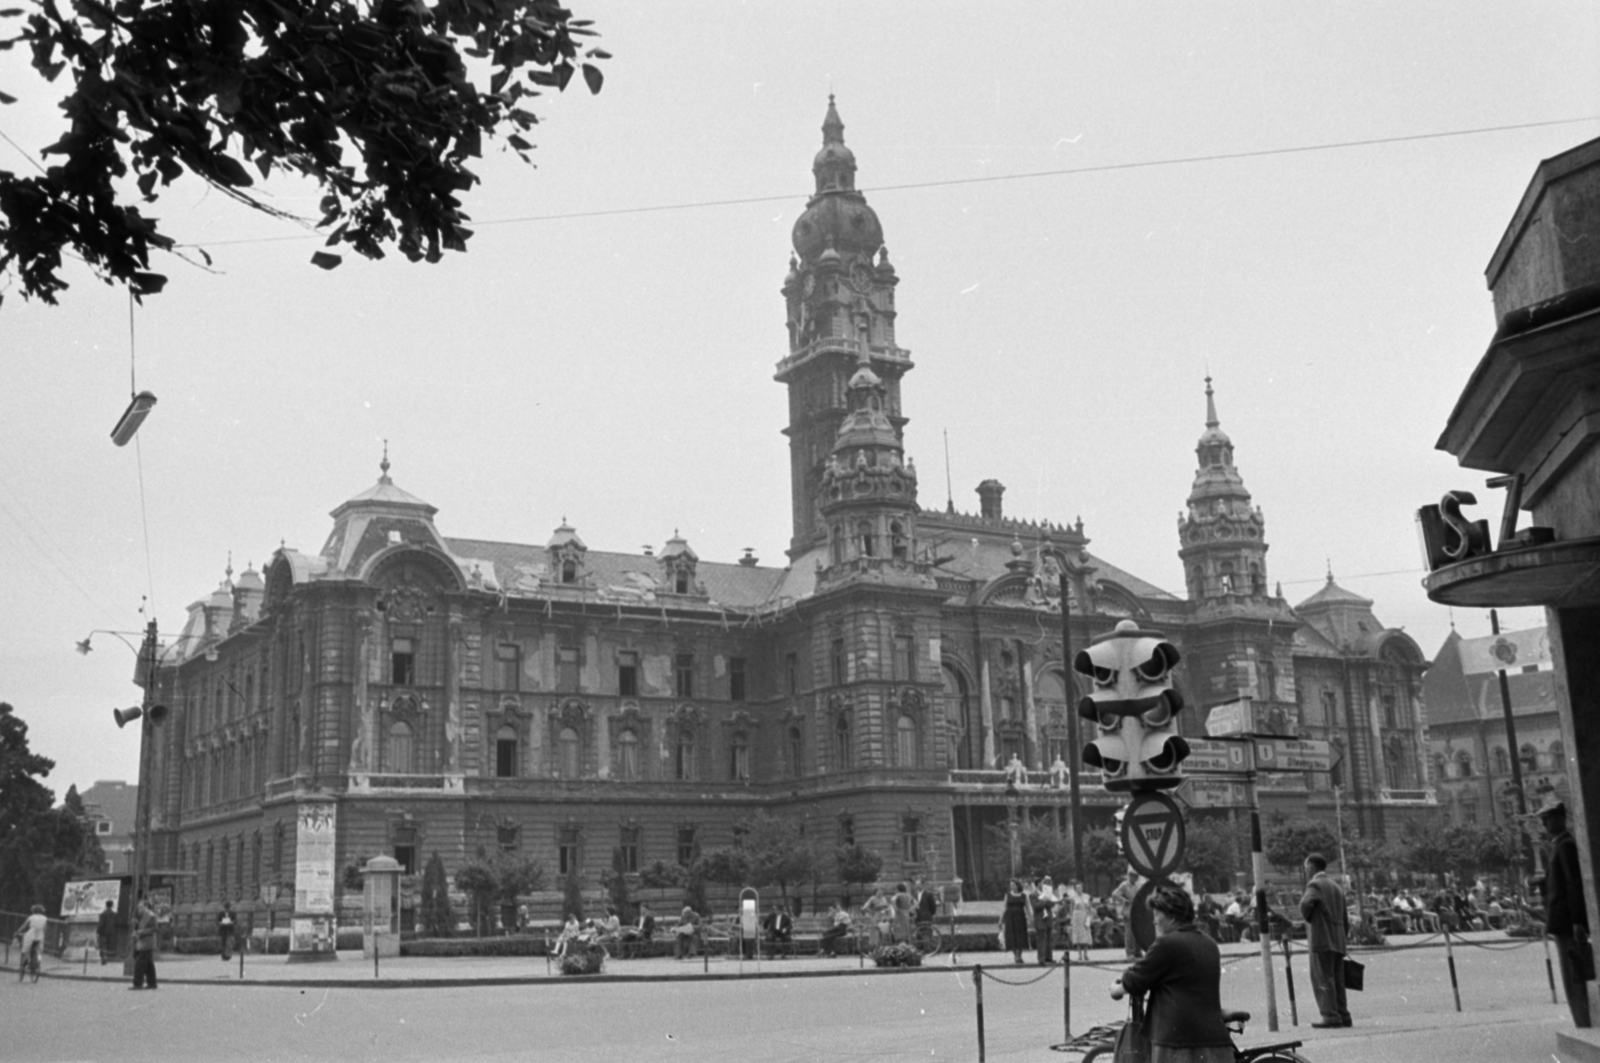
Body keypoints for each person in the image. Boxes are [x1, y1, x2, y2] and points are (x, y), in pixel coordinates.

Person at [1110, 884, 1234, 1063]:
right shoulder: (1209, 944)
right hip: (1215, 1041)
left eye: (1156, 915)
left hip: (1177, 1044)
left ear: (1172, 916)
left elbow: (1136, 980)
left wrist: (1116, 989)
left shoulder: (1167, 944)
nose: (1154, 921)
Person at [1539, 796, 1591, 1028]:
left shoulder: (1565, 845)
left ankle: (1583, 1022)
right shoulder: (1560, 845)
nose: (1544, 824)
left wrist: (1578, 921)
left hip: (1566, 921)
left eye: (1548, 819)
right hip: (1563, 921)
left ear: (1561, 818)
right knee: (1571, 975)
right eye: (1543, 820)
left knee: (1573, 977)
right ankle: (1581, 1020)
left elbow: (1573, 884)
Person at [1299, 852, 1352, 1028]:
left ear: (1310, 867)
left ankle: (1330, 1016)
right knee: (1338, 980)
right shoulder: (1336, 886)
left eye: (1306, 868)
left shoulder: (1314, 884)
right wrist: (1343, 936)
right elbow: (1345, 917)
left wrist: (1310, 919)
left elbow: (1305, 904)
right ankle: (1343, 1015)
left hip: (1322, 939)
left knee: (1322, 978)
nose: (1305, 871)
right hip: (1338, 939)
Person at [1112, 870, 1143, 957]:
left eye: (1137, 877)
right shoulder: (1124, 885)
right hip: (1128, 911)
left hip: (1137, 911)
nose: (1136, 878)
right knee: (1130, 932)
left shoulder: (1137, 885)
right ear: (1130, 876)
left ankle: (1138, 951)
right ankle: (1130, 952)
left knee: (1138, 932)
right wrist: (1124, 900)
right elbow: (1115, 894)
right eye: (1134, 876)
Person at [14, 903, 48, 978]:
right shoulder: (44, 918)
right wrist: (42, 934)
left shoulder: (31, 917)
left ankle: (24, 961)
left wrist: (17, 932)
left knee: (25, 949)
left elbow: (24, 926)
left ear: (33, 910)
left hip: (30, 935)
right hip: (39, 936)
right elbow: (45, 929)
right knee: (36, 949)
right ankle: (35, 964)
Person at [131, 900, 159, 990]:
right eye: (139, 907)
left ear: (146, 906)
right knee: (148, 965)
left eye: (141, 907)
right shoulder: (143, 916)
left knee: (139, 964)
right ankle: (152, 983)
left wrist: (140, 932)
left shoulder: (151, 915)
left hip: (147, 943)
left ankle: (138, 983)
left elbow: (154, 929)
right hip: (143, 942)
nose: (139, 909)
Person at [1001, 878, 1030, 964]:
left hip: (1020, 918)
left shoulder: (1023, 896)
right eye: (1011, 885)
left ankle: (1020, 955)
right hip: (1010, 918)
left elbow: (1028, 908)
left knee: (1020, 937)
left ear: (1018, 886)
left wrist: (1030, 918)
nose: (1012, 887)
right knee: (1012, 937)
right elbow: (1004, 907)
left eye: (1013, 885)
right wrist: (1001, 919)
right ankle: (1015, 955)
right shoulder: (1007, 895)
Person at [1032, 876, 1056, 964]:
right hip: (1040, 919)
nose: (1043, 885)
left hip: (1048, 918)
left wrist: (1048, 900)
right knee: (1041, 939)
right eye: (1042, 883)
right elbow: (1035, 906)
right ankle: (1041, 958)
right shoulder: (1033, 894)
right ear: (1037, 884)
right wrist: (1044, 901)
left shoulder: (1047, 893)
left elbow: (1052, 903)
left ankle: (1048, 957)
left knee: (1049, 938)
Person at [1067, 882, 1093, 962]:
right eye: (1077, 888)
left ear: (1082, 888)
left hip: (1084, 915)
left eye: (1080, 888)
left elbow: (1089, 908)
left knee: (1085, 935)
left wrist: (1089, 917)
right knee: (1078, 936)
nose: (1079, 889)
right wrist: (1071, 919)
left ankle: (1086, 954)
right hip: (1076, 916)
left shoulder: (1087, 896)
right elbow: (1071, 909)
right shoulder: (1073, 898)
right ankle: (1079, 955)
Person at [96, 900, 117, 965]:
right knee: (109, 945)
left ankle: (104, 957)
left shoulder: (103, 914)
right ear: (112, 905)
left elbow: (100, 924)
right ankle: (108, 957)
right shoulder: (114, 914)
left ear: (106, 905)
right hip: (112, 932)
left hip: (103, 932)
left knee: (103, 945)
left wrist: (98, 931)